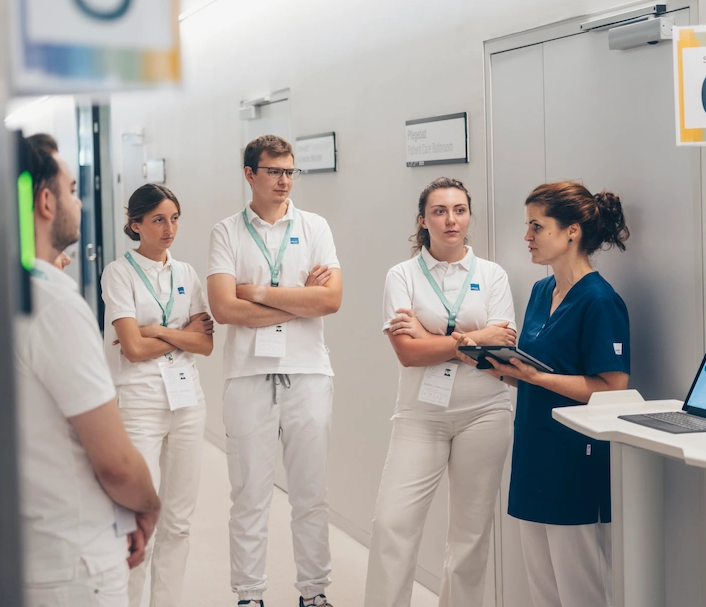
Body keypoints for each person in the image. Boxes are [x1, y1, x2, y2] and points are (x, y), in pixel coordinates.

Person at [458, 180, 630, 607]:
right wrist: (501, 369)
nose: (527, 237)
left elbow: (612, 388)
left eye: (537, 226)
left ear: (571, 231)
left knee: (581, 590)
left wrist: (535, 379)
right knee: (543, 589)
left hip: (577, 459)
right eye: (527, 226)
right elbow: (537, 372)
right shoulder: (540, 291)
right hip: (534, 451)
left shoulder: (600, 300)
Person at [15, 133, 160, 607]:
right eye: (73, 189)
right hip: (75, 568)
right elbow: (116, 463)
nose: (79, 201)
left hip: (23, 552)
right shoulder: (53, 300)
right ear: (45, 201)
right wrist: (148, 506)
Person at [365, 177, 517, 607]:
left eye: (459, 210)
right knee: (392, 524)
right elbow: (408, 354)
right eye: (439, 211)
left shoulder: (492, 275)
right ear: (423, 220)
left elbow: (502, 348)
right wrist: (472, 337)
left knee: (471, 535)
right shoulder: (402, 275)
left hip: (485, 413)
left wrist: (434, 337)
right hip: (420, 417)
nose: (451, 219)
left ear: (469, 216)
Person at [207, 134, 343, 607]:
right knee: (249, 497)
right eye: (274, 171)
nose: (285, 180)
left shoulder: (315, 227)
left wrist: (257, 293)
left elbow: (331, 299)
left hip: (308, 375)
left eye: (290, 171)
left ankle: (314, 594)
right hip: (246, 378)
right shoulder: (226, 232)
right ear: (250, 174)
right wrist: (298, 299)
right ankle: (249, 596)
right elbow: (224, 309)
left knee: (311, 494)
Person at [101, 183, 214, 607]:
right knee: (136, 518)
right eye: (158, 220)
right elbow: (132, 348)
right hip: (141, 404)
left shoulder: (186, 274)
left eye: (174, 218)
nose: (170, 228)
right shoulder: (119, 272)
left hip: (188, 406)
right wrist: (180, 335)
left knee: (179, 522)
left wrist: (159, 331)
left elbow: (205, 344)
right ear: (136, 225)